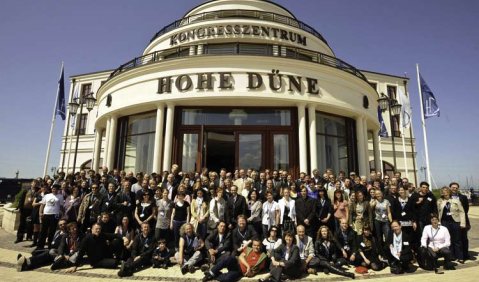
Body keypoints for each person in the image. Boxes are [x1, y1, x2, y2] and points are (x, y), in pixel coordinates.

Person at [202, 239, 268, 282]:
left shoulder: (262, 257)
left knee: (227, 279)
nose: (256, 247)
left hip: (240, 272)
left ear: (261, 246)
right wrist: (248, 266)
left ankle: (214, 274)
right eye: (254, 245)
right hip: (236, 263)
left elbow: (257, 269)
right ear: (252, 245)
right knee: (228, 258)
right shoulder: (248, 249)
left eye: (258, 245)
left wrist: (251, 274)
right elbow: (241, 257)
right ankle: (211, 273)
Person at [438, 186, 466, 263]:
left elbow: (462, 212)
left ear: (449, 192)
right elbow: (438, 212)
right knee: (448, 240)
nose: (445, 192)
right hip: (444, 222)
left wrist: (463, 223)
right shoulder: (439, 201)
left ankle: (460, 257)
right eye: (443, 191)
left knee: (457, 240)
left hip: (455, 222)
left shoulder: (456, 200)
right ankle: (451, 256)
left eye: (446, 190)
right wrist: (438, 223)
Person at [37, 184, 64, 250]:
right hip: (46, 214)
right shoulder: (47, 195)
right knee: (43, 231)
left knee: (52, 231)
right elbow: (42, 205)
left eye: (56, 189)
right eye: (53, 189)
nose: (54, 190)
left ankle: (50, 246)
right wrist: (40, 213)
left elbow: (61, 207)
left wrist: (61, 215)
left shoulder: (60, 196)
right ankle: (40, 246)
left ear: (58, 190)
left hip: (55, 215)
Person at [450, 182, 472, 260]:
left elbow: (466, 209)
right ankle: (453, 255)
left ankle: (465, 254)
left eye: (456, 187)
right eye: (453, 187)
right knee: (453, 239)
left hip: (462, 220)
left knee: (463, 238)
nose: (454, 189)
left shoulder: (463, 197)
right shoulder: (447, 197)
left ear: (458, 189)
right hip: (451, 221)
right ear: (450, 188)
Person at [15, 180, 38, 244]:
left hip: (32, 209)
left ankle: (29, 236)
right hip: (25, 209)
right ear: (31, 184)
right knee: (22, 224)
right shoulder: (26, 190)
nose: (35, 184)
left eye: (36, 183)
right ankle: (19, 237)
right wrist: (20, 207)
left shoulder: (38, 191)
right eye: (34, 183)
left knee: (30, 223)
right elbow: (21, 199)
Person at [371, 190, 392, 258]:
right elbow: (370, 209)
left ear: (382, 194)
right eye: (376, 194)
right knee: (379, 238)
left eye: (379, 193)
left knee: (387, 237)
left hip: (385, 221)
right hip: (377, 221)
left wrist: (391, 221)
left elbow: (389, 212)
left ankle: (388, 253)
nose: (378, 195)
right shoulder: (374, 201)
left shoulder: (386, 201)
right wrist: (373, 204)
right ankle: (381, 253)